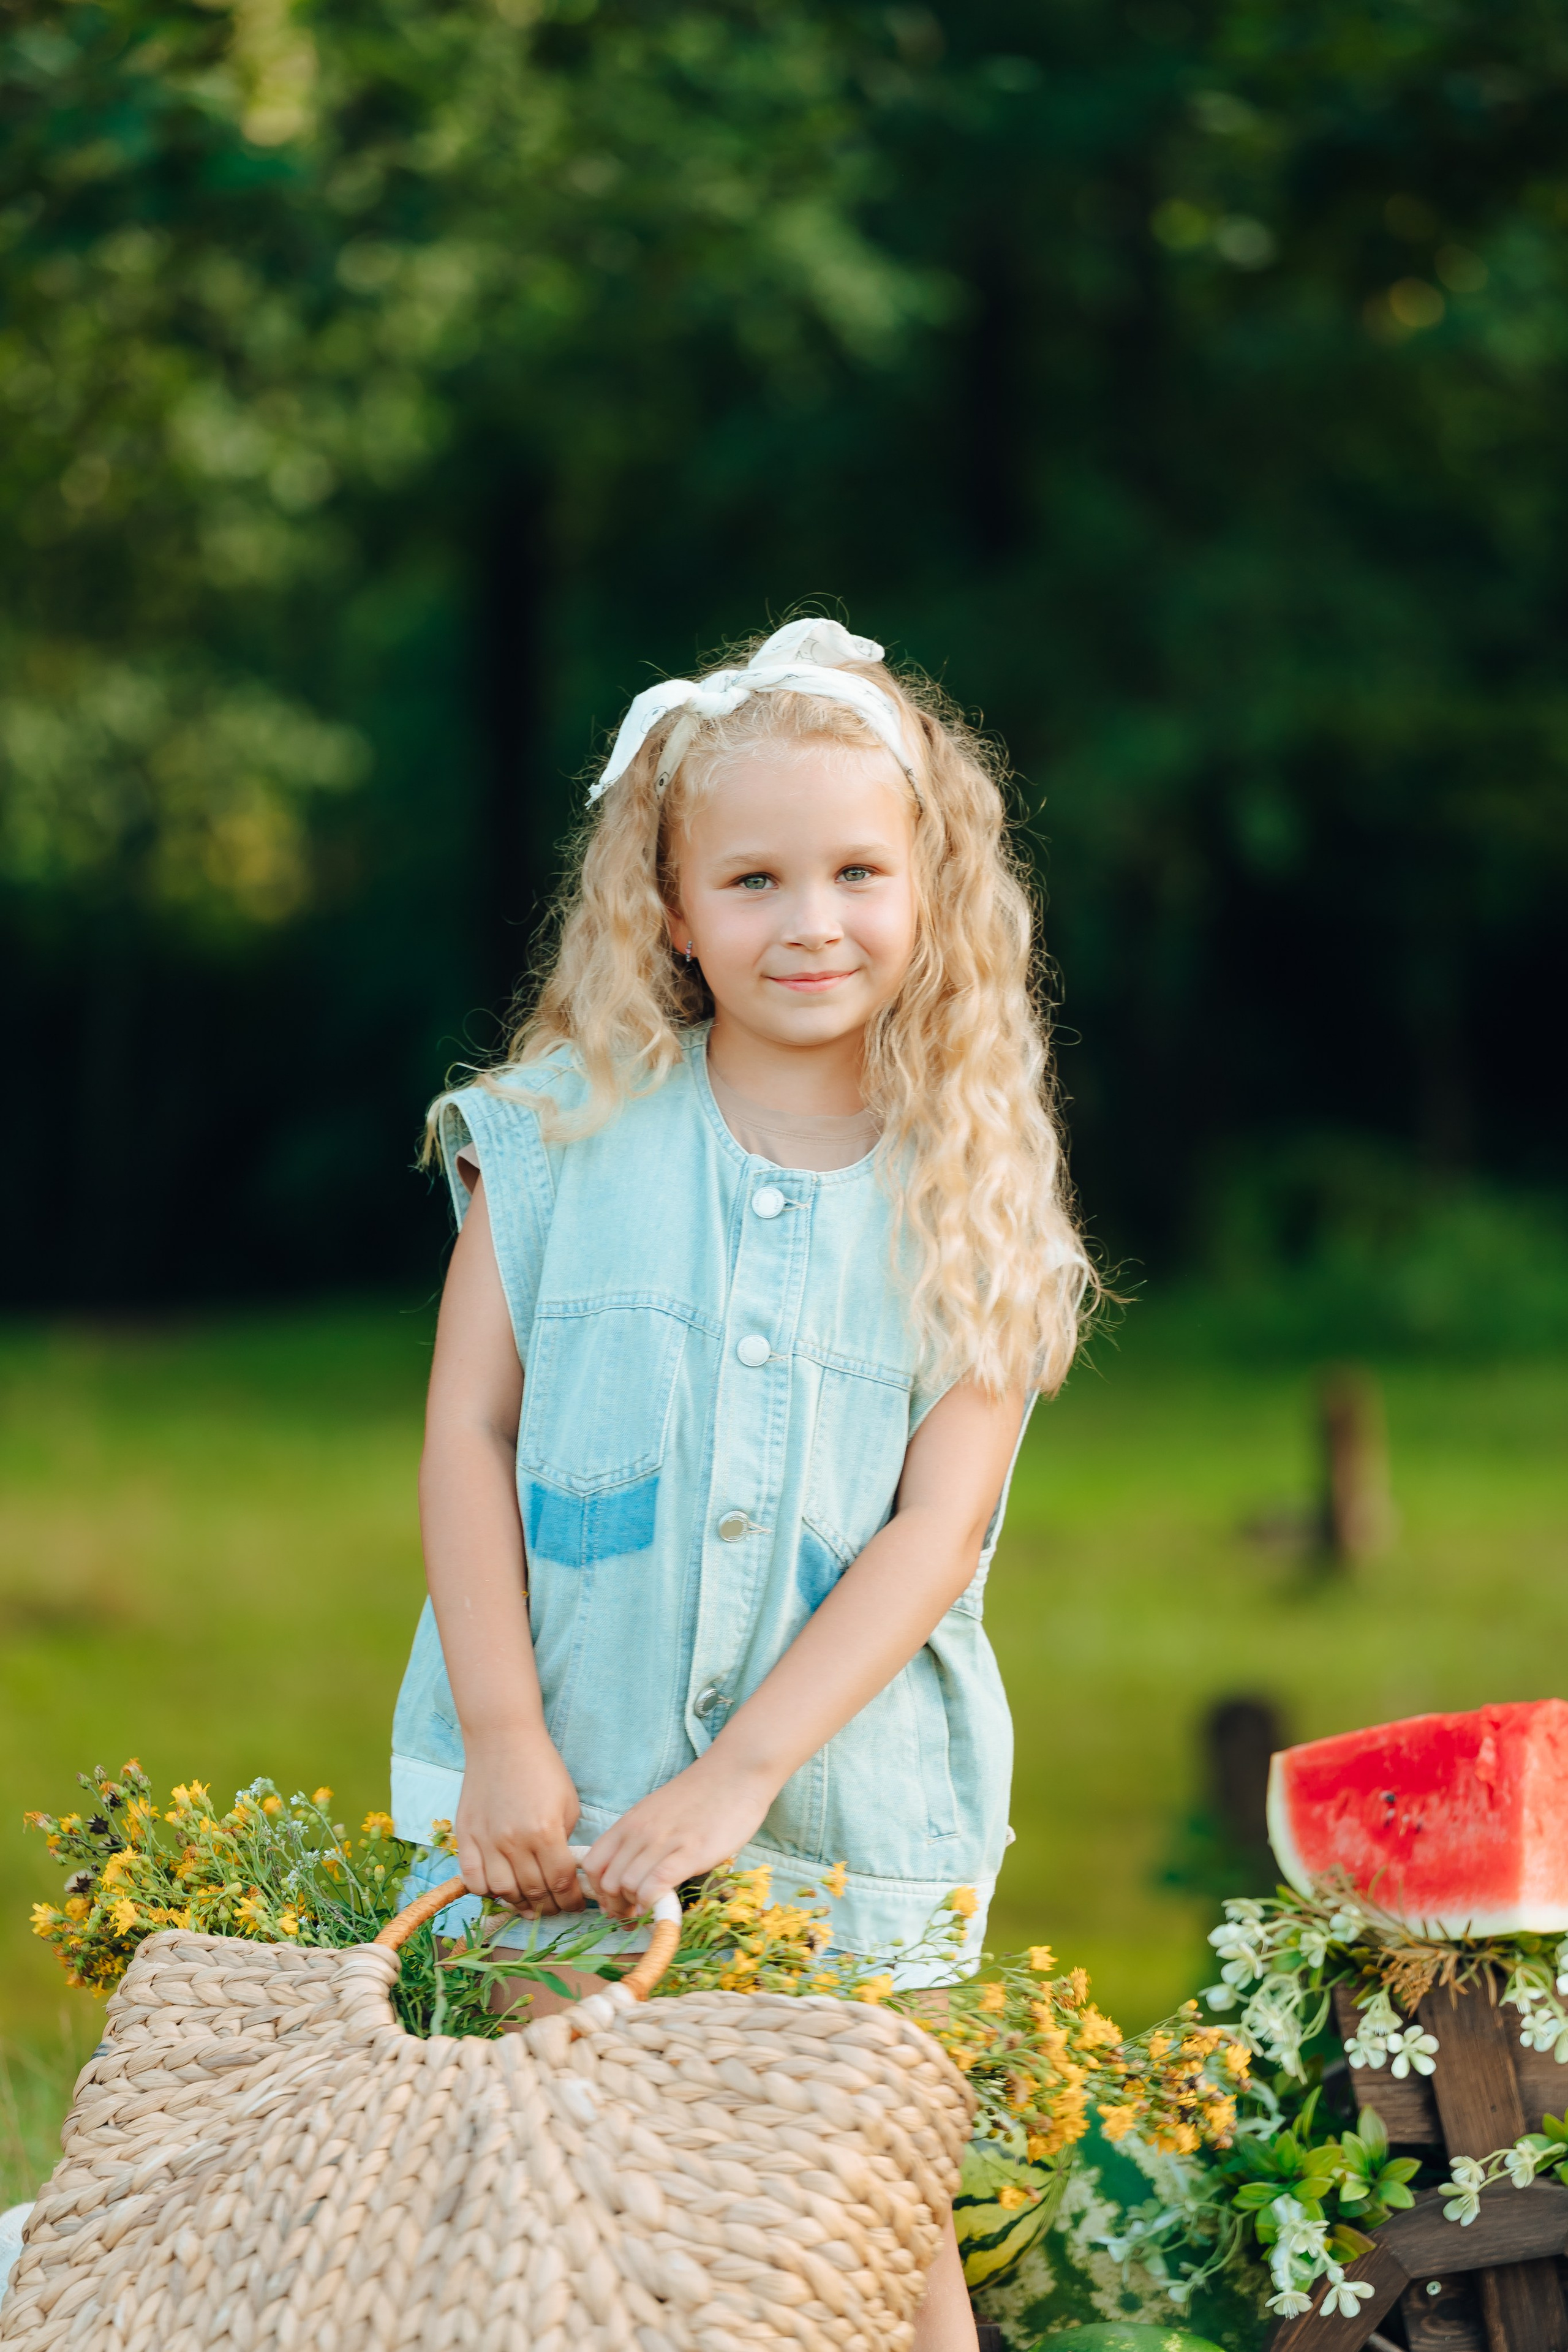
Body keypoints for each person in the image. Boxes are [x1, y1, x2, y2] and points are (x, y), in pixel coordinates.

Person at [391, 615, 1093, 2348]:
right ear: (673, 905)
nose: (811, 922)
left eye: (858, 871)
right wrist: (500, 1730)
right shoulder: (552, 1137)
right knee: (538, 2208)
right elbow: (468, 1431)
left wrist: (742, 1779)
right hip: (557, 1786)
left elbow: (942, 1530)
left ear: (931, 889)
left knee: (860, 2217)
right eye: (757, 878)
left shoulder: (975, 1186)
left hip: (842, 1814)